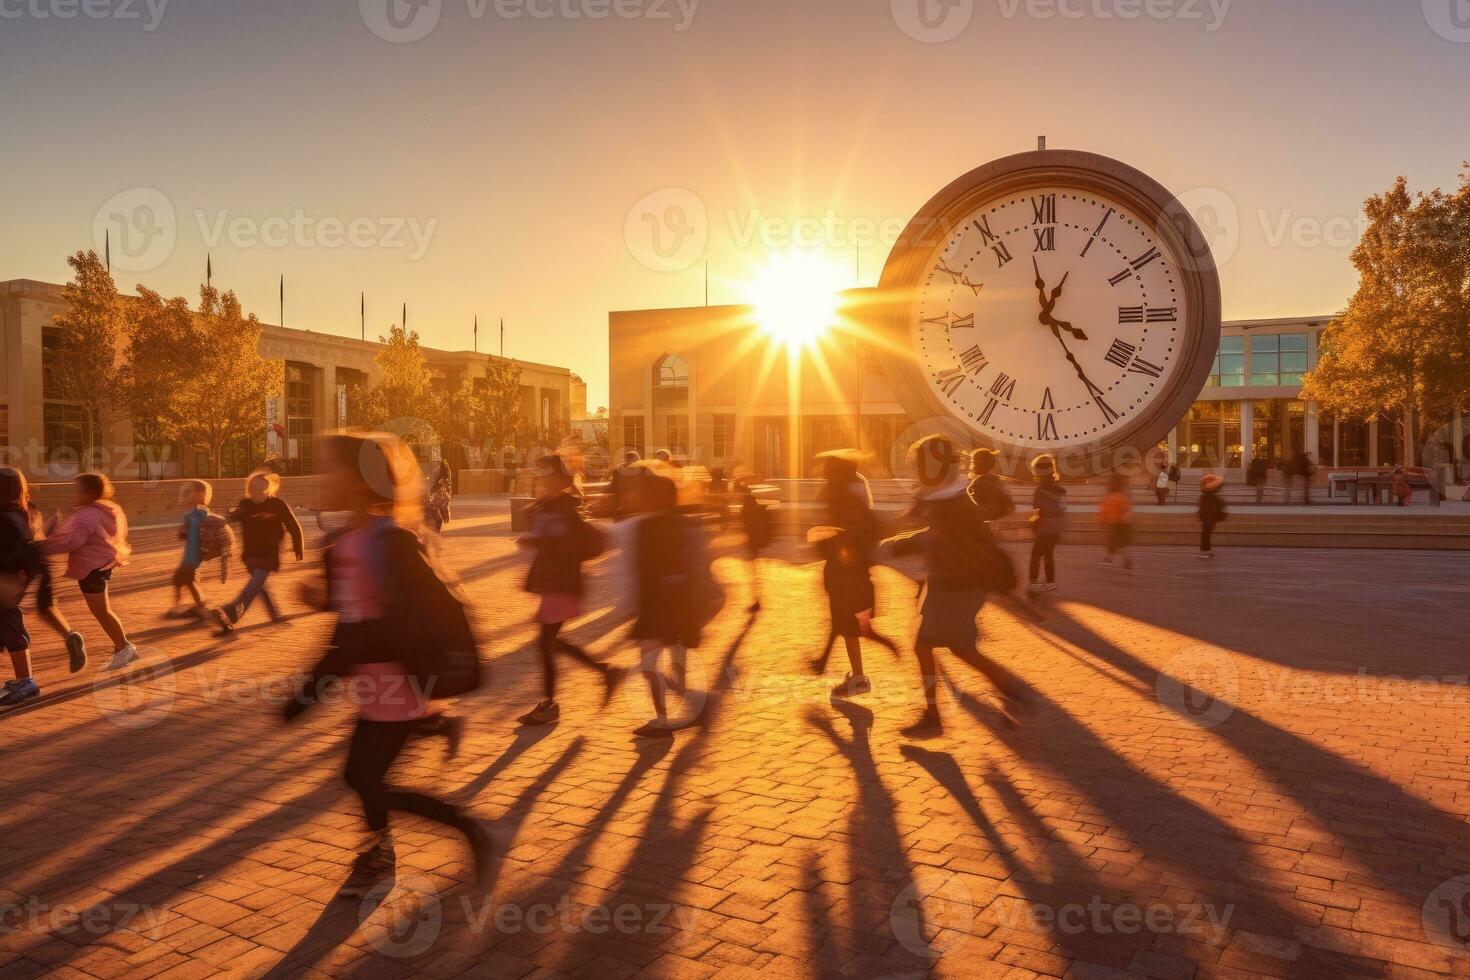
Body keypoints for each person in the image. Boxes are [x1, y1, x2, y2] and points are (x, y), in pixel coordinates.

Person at [284, 433, 486, 898]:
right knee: (363, 775)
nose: (322, 478)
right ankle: (382, 847)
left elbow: (367, 629)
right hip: (374, 684)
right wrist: (323, 599)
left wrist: (309, 692)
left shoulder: (383, 542)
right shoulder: (348, 544)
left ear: (358, 482)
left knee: (362, 777)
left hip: (395, 684)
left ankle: (460, 826)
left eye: (330, 469)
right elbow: (356, 610)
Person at [887, 436, 1028, 737]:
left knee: (930, 646)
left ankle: (934, 717)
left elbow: (941, 537)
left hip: (957, 584)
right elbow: (936, 530)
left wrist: (899, 544)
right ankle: (1009, 690)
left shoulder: (953, 501)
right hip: (952, 582)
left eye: (919, 463)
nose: (916, 468)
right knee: (958, 648)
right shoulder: (949, 497)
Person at [516, 454, 623, 726]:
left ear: (557, 480)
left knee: (546, 643)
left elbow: (563, 544)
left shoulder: (562, 508)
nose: (540, 480)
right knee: (549, 642)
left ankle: (552, 703)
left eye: (545, 476)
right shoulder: (551, 506)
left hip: (561, 583)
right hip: (556, 583)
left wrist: (536, 541)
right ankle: (603, 671)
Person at [809, 451, 899, 699]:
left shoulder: (842, 499)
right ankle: (856, 673)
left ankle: (859, 676)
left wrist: (823, 541)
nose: (823, 473)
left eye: (827, 469)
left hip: (845, 574)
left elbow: (844, 537)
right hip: (851, 573)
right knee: (851, 626)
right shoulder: (848, 497)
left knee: (848, 626)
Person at [626, 463, 705, 740]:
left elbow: (642, 570)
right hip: (681, 605)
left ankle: (665, 717)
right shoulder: (683, 523)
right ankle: (680, 710)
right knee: (672, 663)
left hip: (656, 605)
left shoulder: (647, 526)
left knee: (649, 664)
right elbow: (694, 565)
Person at [0, 469, 87, 705]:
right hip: (30, 566)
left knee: (8, 622)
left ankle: (25, 681)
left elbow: (16, 547)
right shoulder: (27, 509)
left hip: (12, 573)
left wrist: (19, 572)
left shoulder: (5, 517)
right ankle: (68, 636)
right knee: (41, 608)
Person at [38, 473, 137, 670]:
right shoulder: (108, 509)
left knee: (101, 611)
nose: (74, 494)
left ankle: (124, 647)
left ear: (88, 493)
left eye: (77, 490)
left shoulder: (85, 517)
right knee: (102, 610)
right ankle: (123, 647)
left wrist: (39, 546)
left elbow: (70, 541)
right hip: (102, 565)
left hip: (92, 568)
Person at [215, 470, 304, 633]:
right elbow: (231, 517)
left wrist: (298, 545)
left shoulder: (277, 504)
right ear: (249, 489)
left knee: (254, 585)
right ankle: (276, 616)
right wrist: (219, 517)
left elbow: (292, 524)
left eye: (260, 489)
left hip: (270, 554)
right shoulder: (245, 505)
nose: (256, 492)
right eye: (253, 488)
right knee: (258, 586)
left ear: (268, 489)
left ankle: (231, 613)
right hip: (250, 555)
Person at [168, 480, 218, 619]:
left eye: (188, 492)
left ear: (200, 495)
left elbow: (204, 529)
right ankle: (199, 605)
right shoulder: (191, 514)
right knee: (189, 581)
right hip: (190, 554)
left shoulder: (201, 513)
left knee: (181, 579)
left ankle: (190, 607)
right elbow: (186, 532)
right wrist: (183, 532)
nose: (184, 495)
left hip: (195, 554)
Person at [1027, 455, 1066, 592]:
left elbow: (1036, 510)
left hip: (1043, 527)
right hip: (1055, 528)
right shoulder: (1059, 490)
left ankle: (1033, 581)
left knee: (1036, 554)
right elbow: (1062, 508)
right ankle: (1050, 582)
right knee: (1049, 554)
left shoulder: (1039, 490)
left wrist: (1033, 524)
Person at [734, 473, 770, 612]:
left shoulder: (748, 504)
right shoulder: (750, 502)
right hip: (753, 541)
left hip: (752, 541)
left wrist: (751, 542)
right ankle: (756, 599)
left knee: (752, 572)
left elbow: (750, 524)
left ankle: (756, 600)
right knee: (752, 571)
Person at [966, 449, 1014, 522]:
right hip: (1000, 513)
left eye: (973, 462)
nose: (971, 466)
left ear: (976, 464)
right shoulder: (997, 480)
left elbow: (974, 502)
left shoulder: (979, 483)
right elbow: (1007, 501)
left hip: (988, 515)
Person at [1098, 473, 1134, 569]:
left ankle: (1109, 558)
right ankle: (1124, 560)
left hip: (1114, 523)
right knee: (1120, 543)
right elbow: (1127, 510)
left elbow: (1104, 511)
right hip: (1123, 524)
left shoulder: (1109, 498)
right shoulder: (1122, 497)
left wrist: (1101, 521)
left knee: (1113, 542)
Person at [1198, 473, 1227, 559]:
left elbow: (1203, 509)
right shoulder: (1212, 498)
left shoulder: (1206, 497)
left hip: (1208, 519)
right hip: (1209, 519)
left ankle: (1206, 550)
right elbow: (1212, 509)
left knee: (1206, 534)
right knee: (1206, 534)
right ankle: (1205, 551)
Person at [424, 461, 453, 533]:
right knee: (437, 515)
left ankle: (433, 528)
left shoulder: (438, 471)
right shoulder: (445, 472)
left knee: (435, 513)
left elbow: (434, 483)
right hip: (440, 495)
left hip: (438, 495)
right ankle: (434, 528)